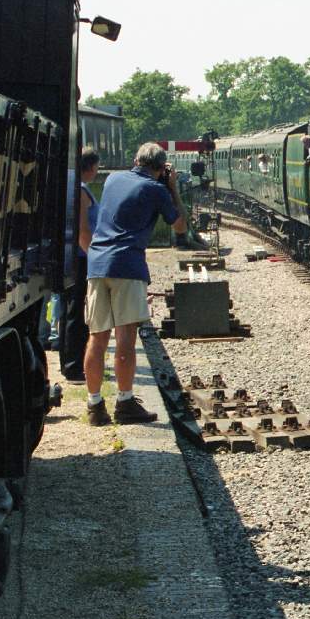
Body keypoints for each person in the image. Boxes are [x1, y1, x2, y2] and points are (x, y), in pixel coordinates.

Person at [83, 143, 187, 426]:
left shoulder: (114, 178)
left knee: (97, 336)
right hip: (127, 265)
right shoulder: (157, 190)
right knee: (125, 335)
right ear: (160, 168)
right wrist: (172, 187)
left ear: (135, 160)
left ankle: (94, 405)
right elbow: (180, 226)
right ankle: (125, 402)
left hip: (96, 262)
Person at [59, 148, 101, 383]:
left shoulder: (72, 187)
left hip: (72, 257)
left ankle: (69, 362)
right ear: (91, 167)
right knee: (78, 311)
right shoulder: (82, 192)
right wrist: (95, 257)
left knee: (70, 309)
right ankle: (74, 366)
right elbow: (83, 230)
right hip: (82, 258)